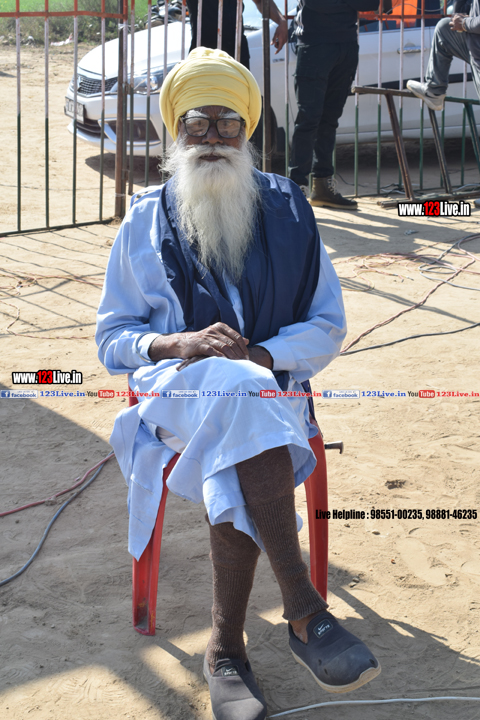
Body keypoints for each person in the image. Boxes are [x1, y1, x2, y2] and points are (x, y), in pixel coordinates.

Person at [96, 47, 381, 720]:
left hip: (266, 390)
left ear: (248, 132)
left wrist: (258, 353)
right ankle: (303, 611)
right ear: (176, 130)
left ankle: (226, 650)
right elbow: (112, 339)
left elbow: (327, 326)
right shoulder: (143, 219)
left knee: (242, 402)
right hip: (175, 393)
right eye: (198, 123)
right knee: (239, 400)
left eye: (229, 124)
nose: (214, 137)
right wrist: (177, 342)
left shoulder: (289, 209)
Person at [288, 0, 379, 210]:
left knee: (329, 120)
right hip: (315, 45)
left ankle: (322, 186)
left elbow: (372, 3)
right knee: (308, 119)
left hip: (346, 45)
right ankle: (296, 187)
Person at [407, 0, 480, 111]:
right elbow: (458, 15)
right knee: (444, 28)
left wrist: (465, 23)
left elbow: (465, 22)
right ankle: (434, 93)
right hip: (476, 54)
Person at [186, 0, 288, 69]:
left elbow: (261, 1)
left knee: (239, 95)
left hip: (237, 56)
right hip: (204, 57)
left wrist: (281, 21)